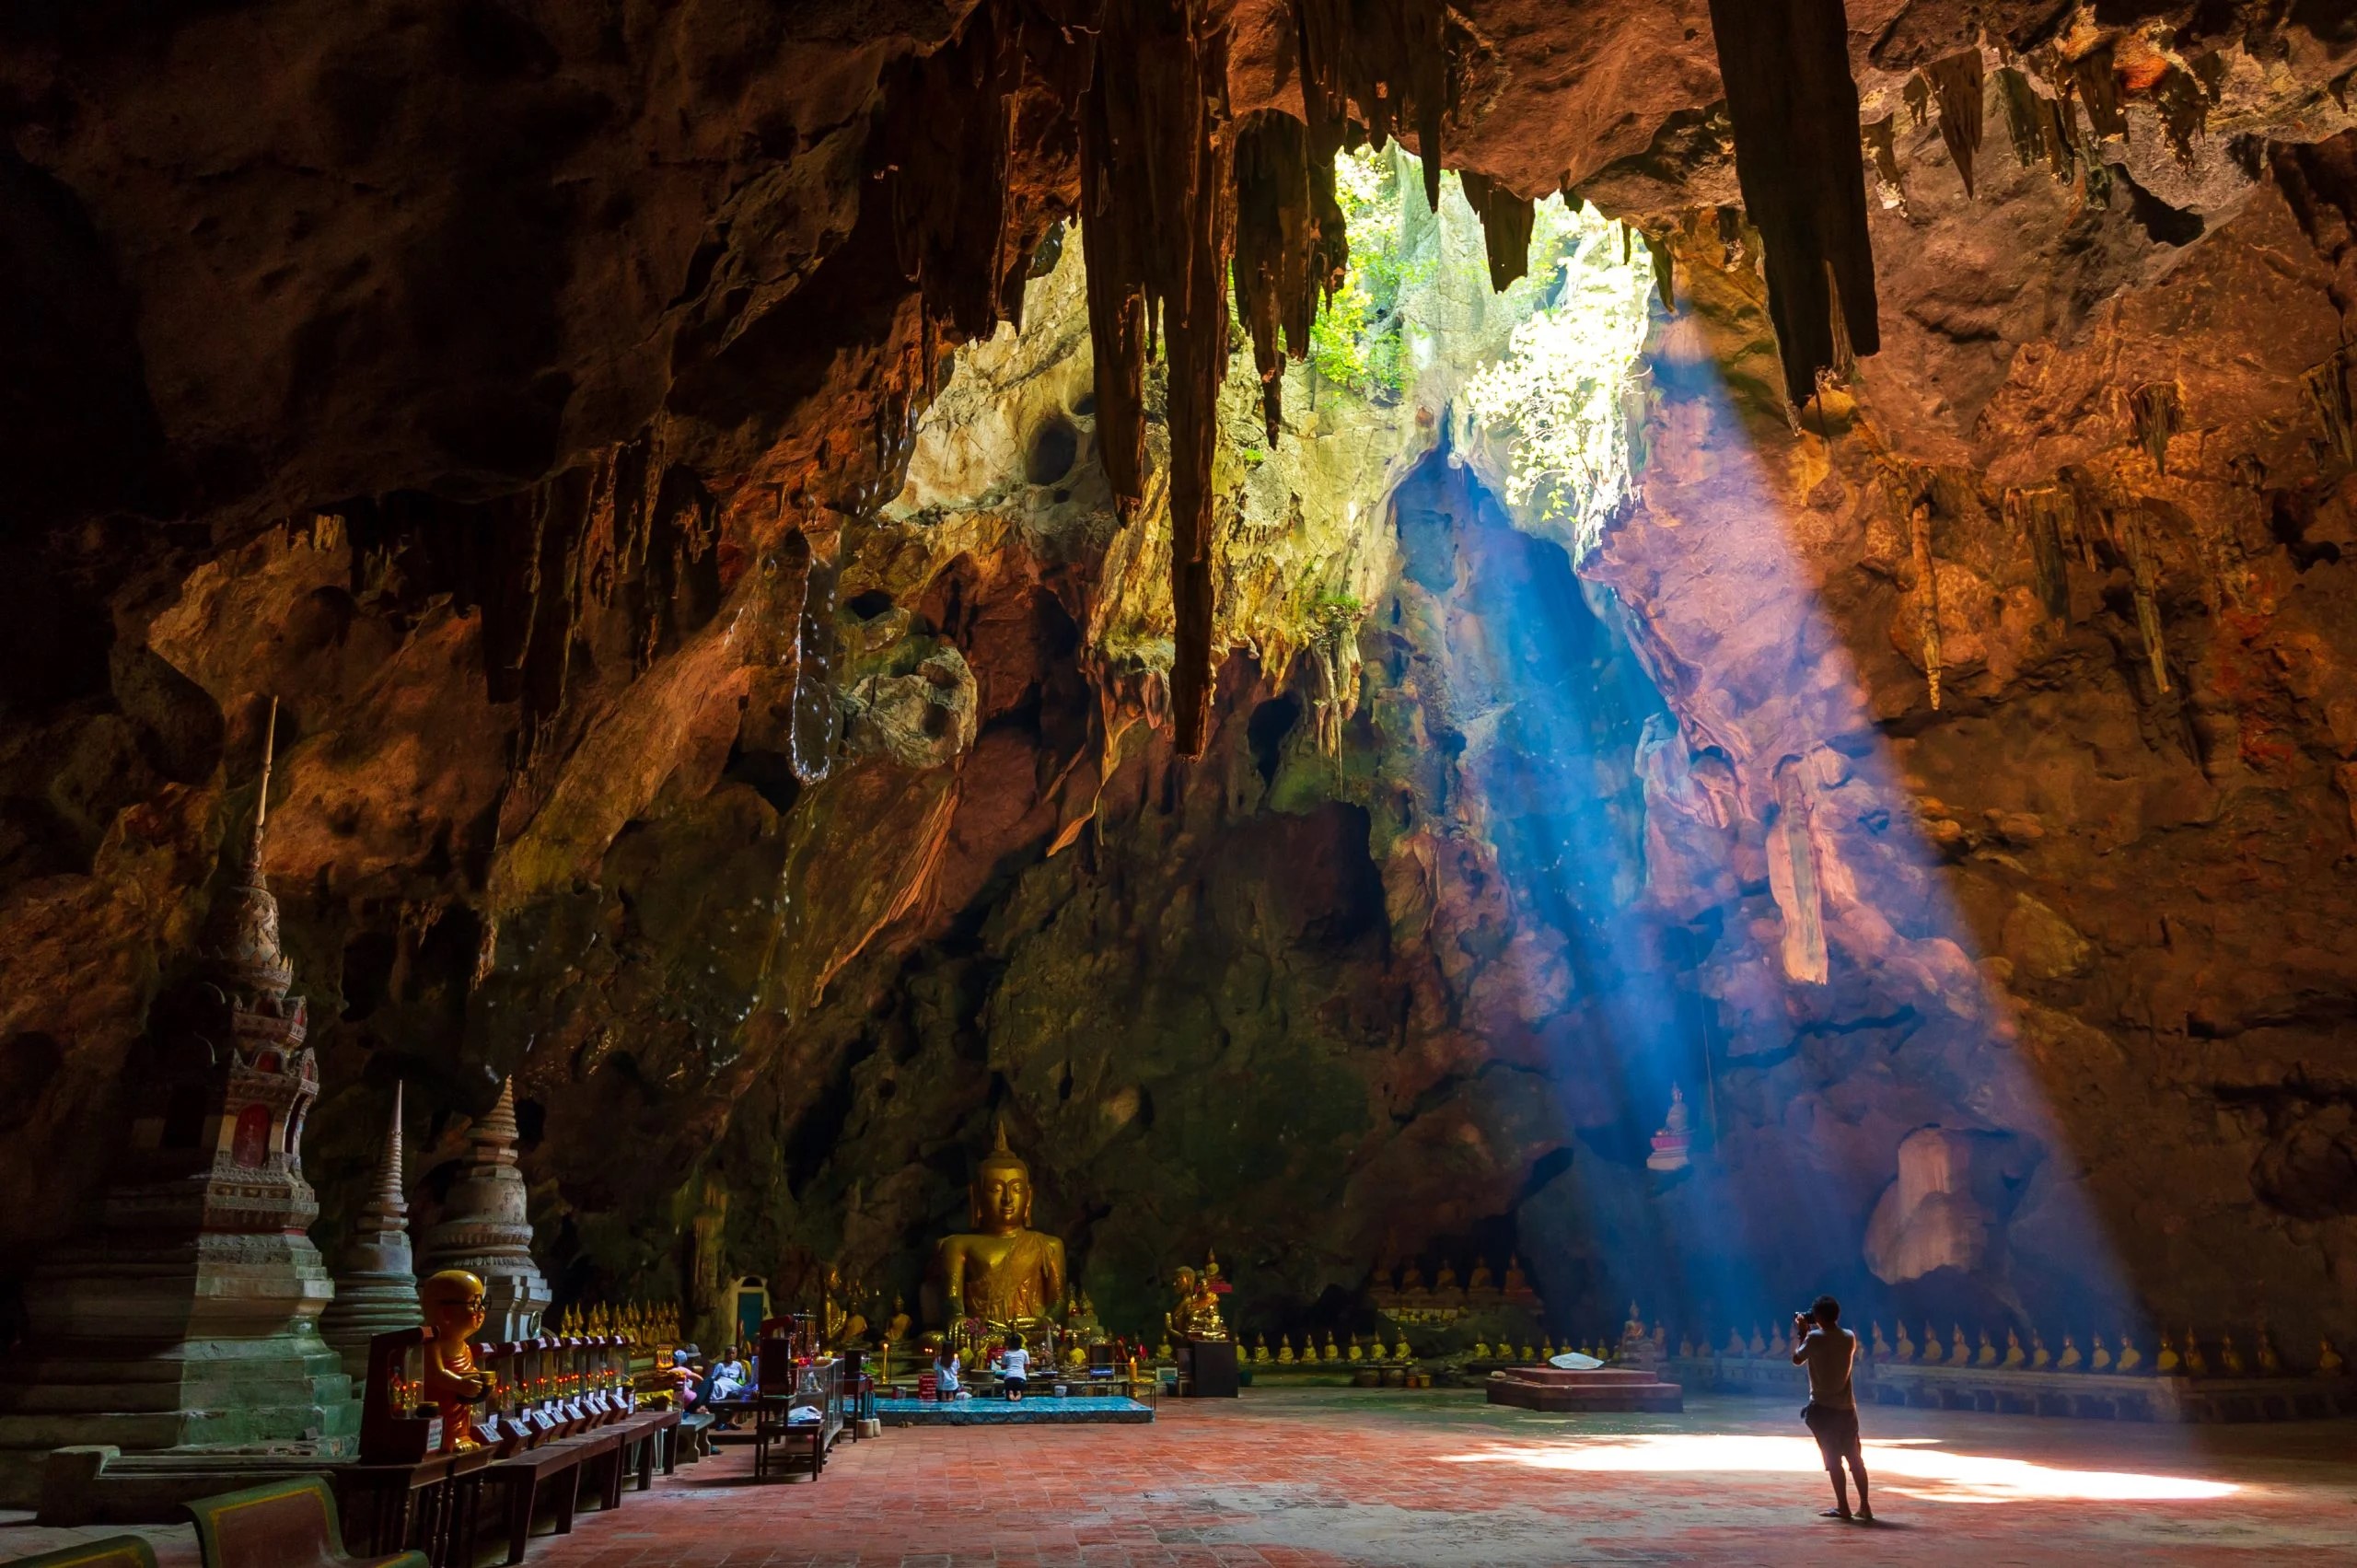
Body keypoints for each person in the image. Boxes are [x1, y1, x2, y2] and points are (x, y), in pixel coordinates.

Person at [1791, 1295, 1872, 1523]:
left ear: (1817, 1317)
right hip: (1847, 1407)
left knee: (1833, 1459)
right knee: (1855, 1458)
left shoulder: (1814, 1338)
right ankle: (1865, 1506)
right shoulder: (1849, 1337)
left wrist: (1802, 1332)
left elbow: (1797, 1359)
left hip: (1823, 1408)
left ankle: (1843, 1506)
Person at [996, 1331, 1030, 1401]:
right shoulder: (1024, 1352)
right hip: (1020, 1377)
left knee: (1009, 1394)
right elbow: (1027, 1366)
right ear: (1020, 1342)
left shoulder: (1006, 1353)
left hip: (1009, 1378)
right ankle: (1019, 1392)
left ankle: (1010, 1392)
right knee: (1019, 1389)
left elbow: (1003, 1367)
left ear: (1010, 1343)